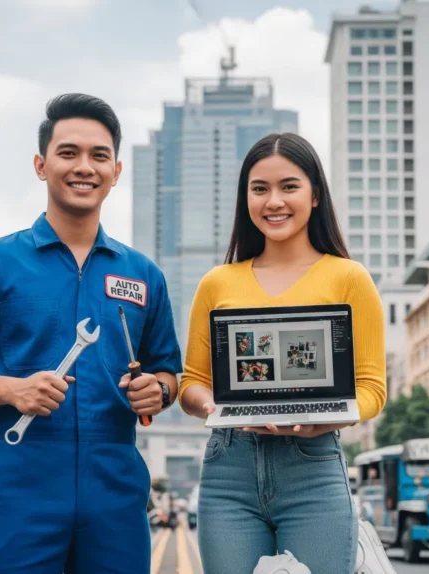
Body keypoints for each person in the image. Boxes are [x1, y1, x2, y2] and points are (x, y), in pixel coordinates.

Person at [0, 93, 182, 574]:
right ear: (42, 165)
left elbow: (169, 371)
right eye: (69, 153)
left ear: (117, 170)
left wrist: (159, 390)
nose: (84, 167)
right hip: (20, 487)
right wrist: (13, 389)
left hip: (116, 493)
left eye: (98, 156)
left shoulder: (144, 274)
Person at [178, 132, 386, 574]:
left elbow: (371, 389)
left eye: (289, 186)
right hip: (228, 468)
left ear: (314, 195)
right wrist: (216, 406)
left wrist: (323, 418)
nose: (274, 201)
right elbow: (191, 383)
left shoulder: (349, 278)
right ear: (246, 199)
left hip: (313, 469)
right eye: (260, 189)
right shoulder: (217, 282)